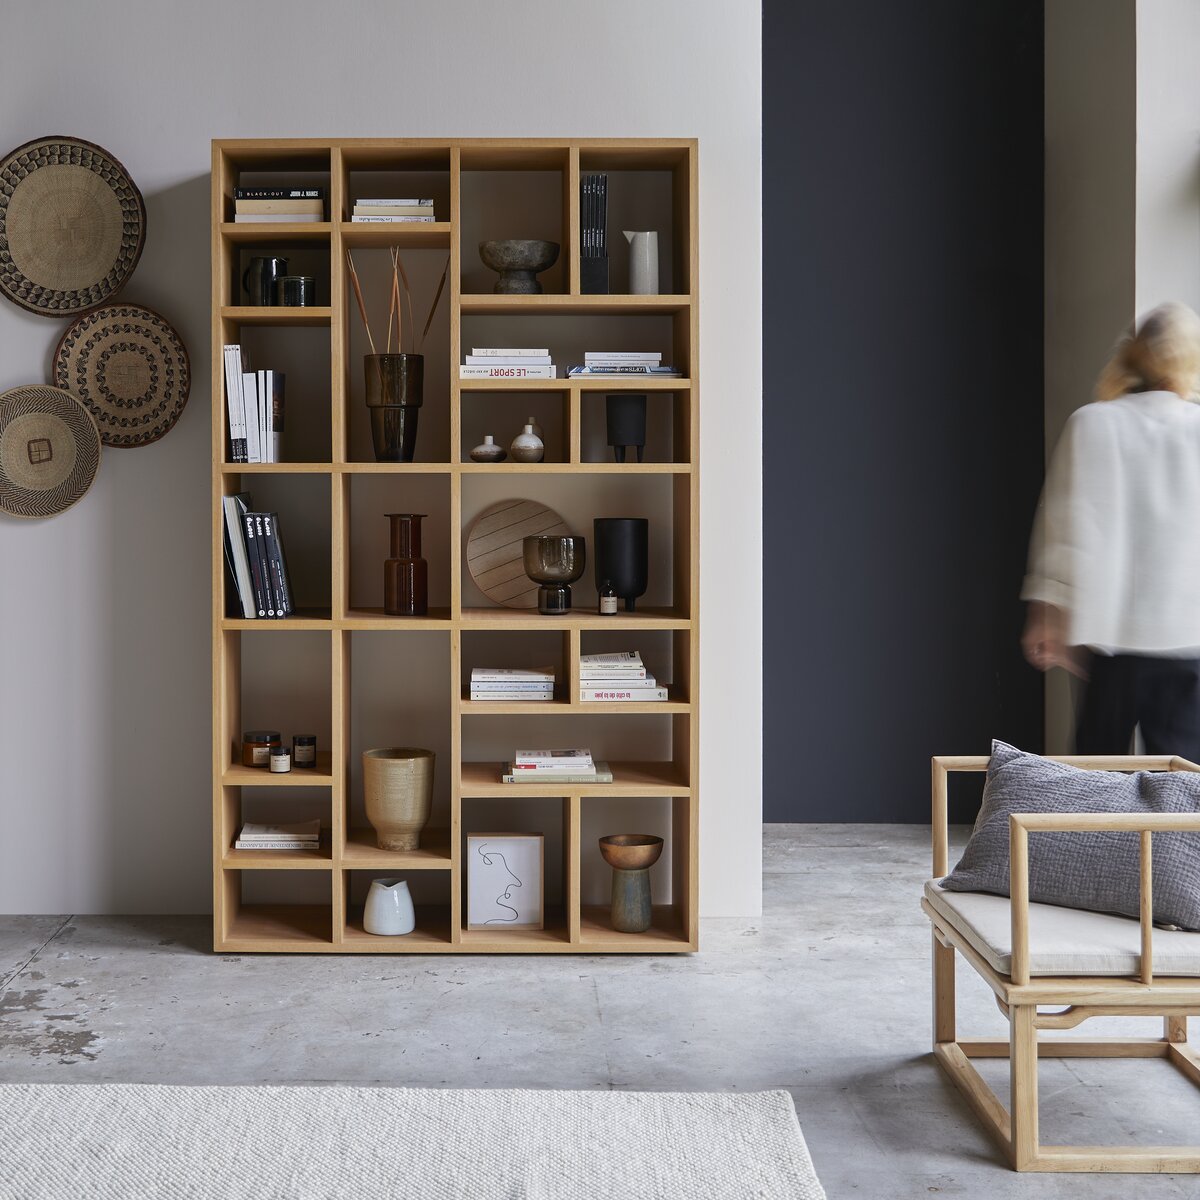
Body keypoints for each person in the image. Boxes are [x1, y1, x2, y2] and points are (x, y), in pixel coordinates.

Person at [1022, 301, 1200, 760]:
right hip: (1189, 638)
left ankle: (1094, 838)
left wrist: (1047, 615)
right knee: (1185, 785)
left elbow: (1066, 530)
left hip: (1115, 639)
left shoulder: (1093, 422)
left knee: (1097, 774)